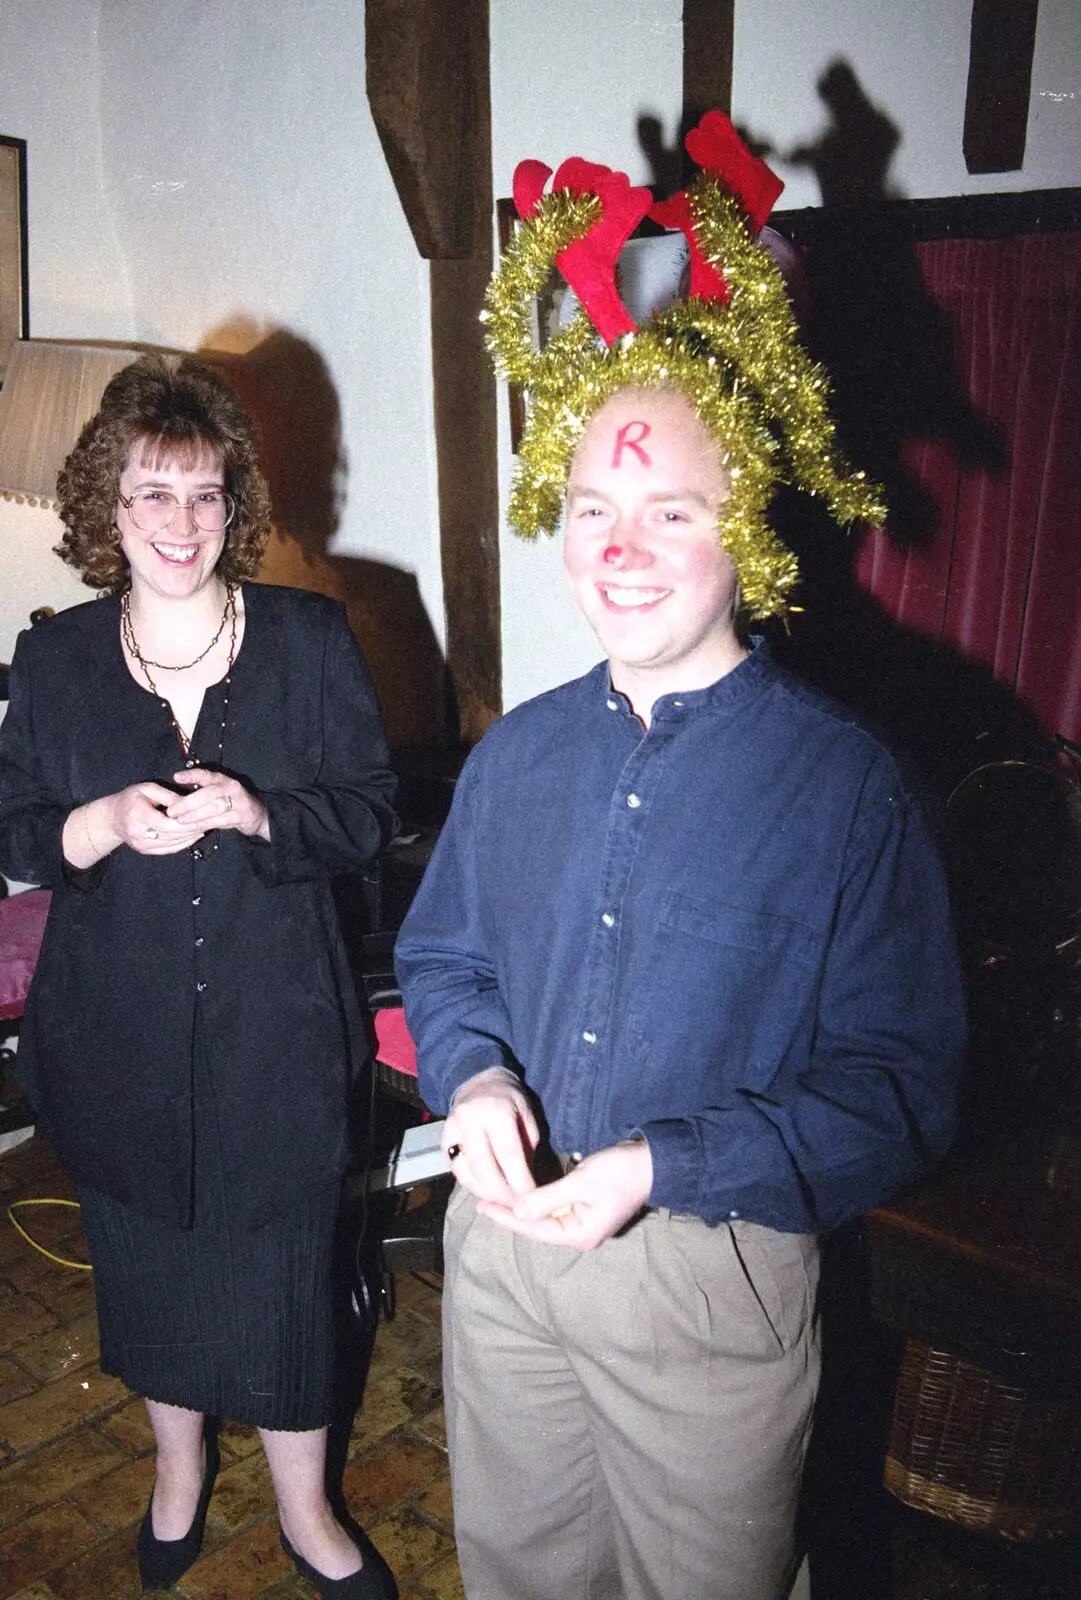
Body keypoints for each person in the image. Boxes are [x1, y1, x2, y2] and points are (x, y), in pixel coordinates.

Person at [395, 115, 964, 1600]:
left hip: (709, 1285)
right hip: (504, 1271)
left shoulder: (846, 787)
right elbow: (444, 955)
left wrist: (663, 1166)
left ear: (748, 531)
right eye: (592, 511)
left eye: (670, 511)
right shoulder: (513, 753)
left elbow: (899, 1091)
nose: (621, 548)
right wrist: (473, 1076)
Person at [0, 355, 399, 1600]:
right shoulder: (55, 659)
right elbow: (15, 831)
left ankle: (306, 1509)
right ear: (105, 511)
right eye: (149, 495)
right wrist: (103, 821)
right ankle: (177, 1476)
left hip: (277, 1036)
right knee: (149, 1272)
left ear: (237, 507)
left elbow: (370, 815)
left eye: (203, 495)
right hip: (111, 1035)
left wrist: (264, 812)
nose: (178, 523)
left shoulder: (311, 639)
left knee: (284, 1290)